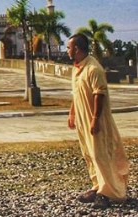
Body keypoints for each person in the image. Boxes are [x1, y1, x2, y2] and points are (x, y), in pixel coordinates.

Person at [66, 33, 130, 209]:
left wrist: (95, 119)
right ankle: (97, 186)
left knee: (101, 155)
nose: (67, 50)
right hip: (82, 118)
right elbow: (76, 93)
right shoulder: (78, 68)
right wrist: (72, 114)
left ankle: (110, 192)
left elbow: (99, 94)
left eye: (68, 47)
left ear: (77, 49)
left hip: (96, 120)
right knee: (89, 154)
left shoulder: (93, 69)